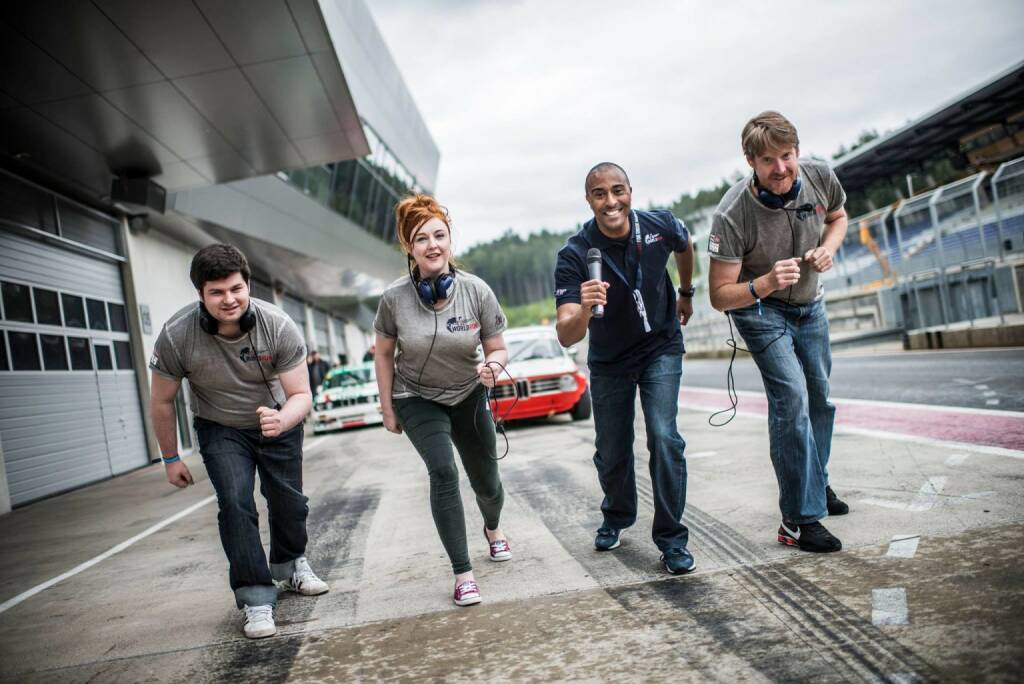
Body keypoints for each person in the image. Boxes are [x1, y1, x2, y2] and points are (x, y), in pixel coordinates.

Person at [149, 244, 329, 639]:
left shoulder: (277, 325)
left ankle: (290, 565)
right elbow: (162, 400)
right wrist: (170, 458)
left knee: (288, 502)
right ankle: (256, 598)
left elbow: (302, 395)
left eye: (235, 289)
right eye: (216, 292)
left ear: (247, 285)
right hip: (221, 427)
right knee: (234, 502)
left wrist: (281, 419)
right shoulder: (177, 335)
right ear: (201, 295)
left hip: (279, 422)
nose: (228, 299)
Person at [707, 111, 850, 553]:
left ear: (798, 152)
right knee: (792, 398)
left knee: (820, 398)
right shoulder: (732, 214)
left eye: (786, 156)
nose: (781, 169)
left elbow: (839, 217)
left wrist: (827, 249)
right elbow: (719, 295)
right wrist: (765, 283)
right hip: (761, 310)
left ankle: (816, 484)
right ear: (750, 161)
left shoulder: (822, 177)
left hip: (811, 304)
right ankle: (799, 519)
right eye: (768, 160)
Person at [554, 162, 697, 575]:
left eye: (618, 190)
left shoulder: (660, 226)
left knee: (664, 437)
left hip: (660, 346)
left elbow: (684, 245)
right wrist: (584, 307)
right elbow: (566, 335)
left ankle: (671, 539)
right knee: (612, 451)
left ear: (631, 191)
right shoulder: (575, 254)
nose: (611, 201)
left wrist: (686, 293)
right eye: (600, 194)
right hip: (609, 359)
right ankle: (617, 515)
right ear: (589, 200)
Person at [373, 194, 511, 607]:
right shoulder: (394, 298)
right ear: (408, 248)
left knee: (487, 482)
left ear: (451, 240)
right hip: (416, 395)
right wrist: (387, 407)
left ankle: (493, 527)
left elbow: (498, 348)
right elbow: (382, 353)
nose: (432, 245)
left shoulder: (476, 291)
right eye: (421, 239)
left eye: (439, 235)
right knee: (444, 472)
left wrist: (493, 366)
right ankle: (463, 574)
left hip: (468, 393)